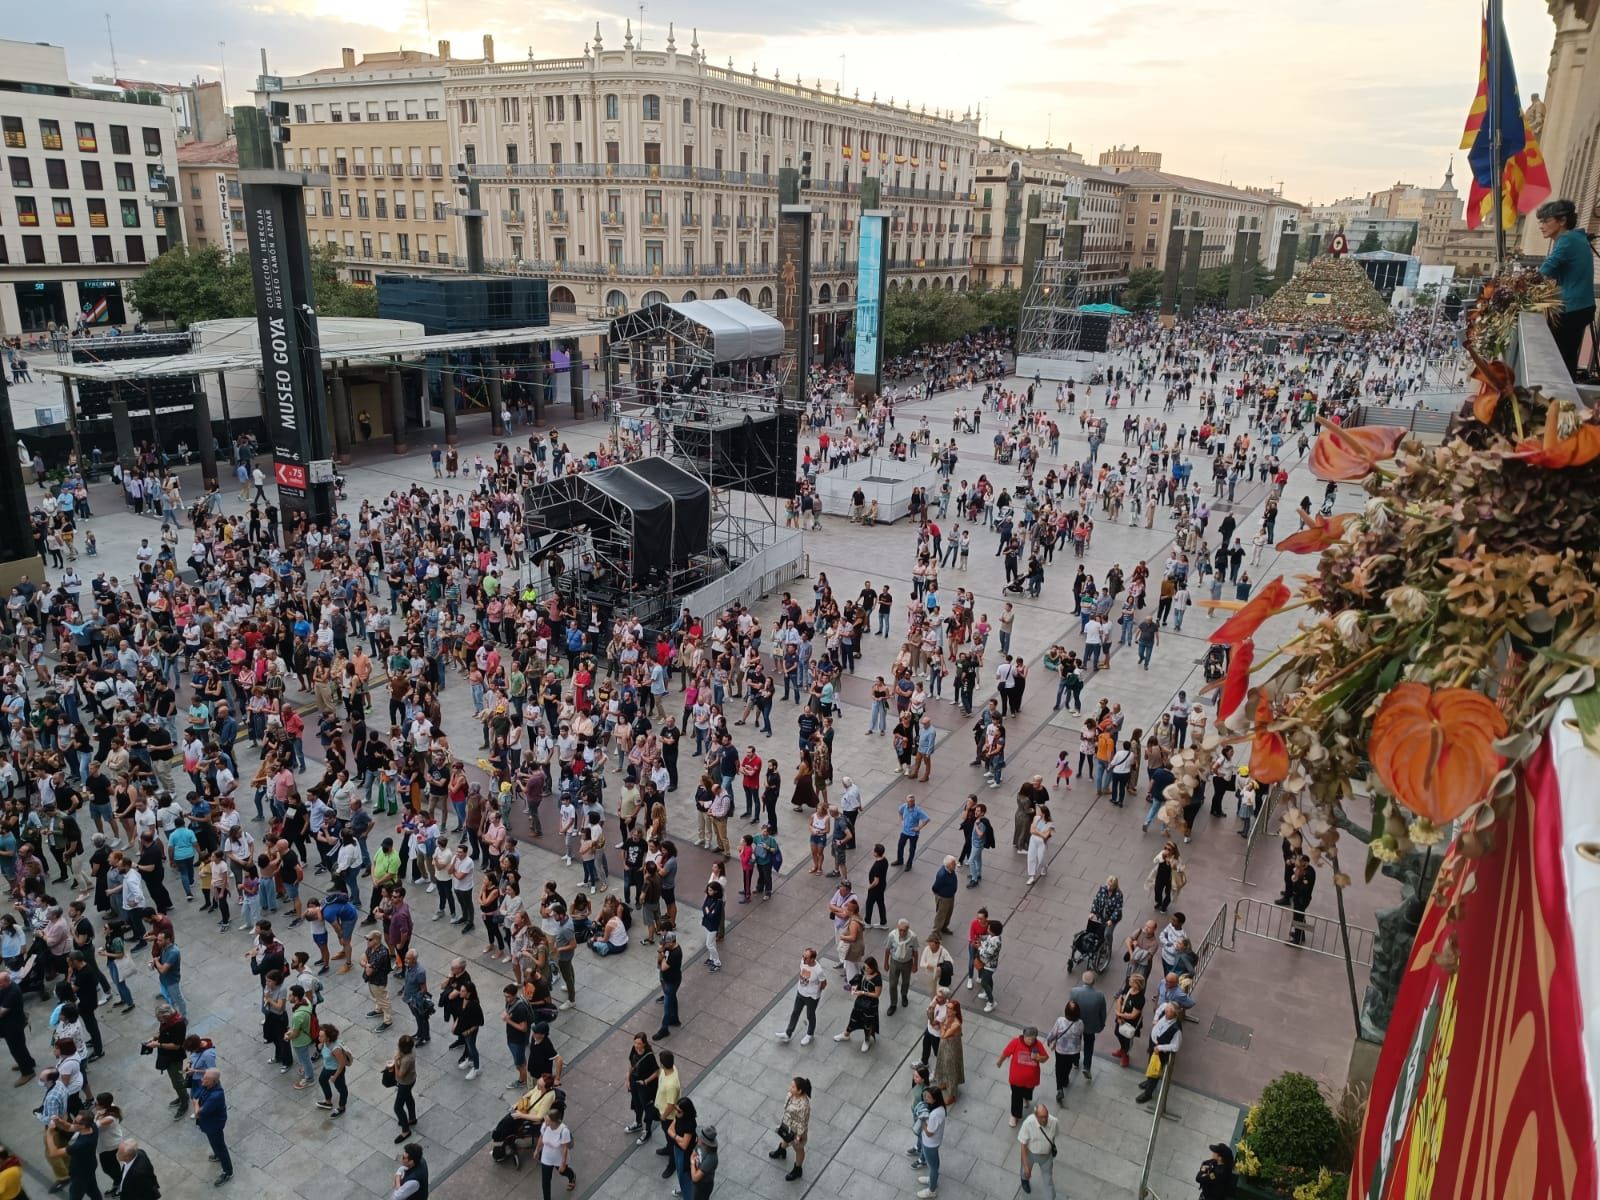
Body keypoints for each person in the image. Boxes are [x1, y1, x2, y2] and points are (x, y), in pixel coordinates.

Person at [1535, 197, 1597, 375]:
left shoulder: (1567, 240)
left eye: (1546, 220)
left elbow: (1545, 272)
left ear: (1562, 221)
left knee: (1559, 359)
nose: (1542, 226)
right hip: (1580, 307)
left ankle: (1562, 399)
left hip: (1573, 308)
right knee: (1565, 356)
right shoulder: (1575, 239)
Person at [996, 1025, 1049, 1126]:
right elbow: (1006, 1053)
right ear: (1024, 1036)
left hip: (1031, 1080)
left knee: (1028, 1093)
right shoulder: (1016, 1042)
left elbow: (1045, 1058)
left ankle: (1025, 1098)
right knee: (1016, 1097)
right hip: (1016, 1079)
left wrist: (1038, 1058)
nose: (1030, 1041)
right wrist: (1000, 1061)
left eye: (1033, 1039)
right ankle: (1014, 1115)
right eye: (1028, 1039)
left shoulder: (1038, 1045)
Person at [774, 948, 827, 1045]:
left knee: (810, 1015)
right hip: (801, 993)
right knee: (795, 1012)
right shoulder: (803, 962)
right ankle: (788, 1033)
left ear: (812, 959)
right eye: (803, 956)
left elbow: (824, 983)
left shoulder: (818, 970)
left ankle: (809, 1035)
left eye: (806, 958)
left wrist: (815, 992)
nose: (803, 959)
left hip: (811, 997)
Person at [1136, 1001, 1184, 1103]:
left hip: (1160, 1053)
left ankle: (1148, 1093)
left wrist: (1161, 1047)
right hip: (1153, 1046)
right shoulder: (1165, 1012)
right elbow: (1160, 1008)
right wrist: (1155, 1019)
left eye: (1168, 1012)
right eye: (1166, 1010)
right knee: (1150, 1064)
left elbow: (1175, 1046)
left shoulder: (1176, 1029)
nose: (1165, 1012)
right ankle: (1148, 1082)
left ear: (1174, 1014)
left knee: (1155, 1071)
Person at [192, 1068, 232, 1185]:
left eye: (205, 1079)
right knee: (214, 1143)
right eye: (204, 1077)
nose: (202, 1080)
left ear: (213, 1082)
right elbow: (196, 1097)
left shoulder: (216, 1096)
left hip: (214, 1125)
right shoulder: (206, 1085)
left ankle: (228, 1172)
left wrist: (196, 1104)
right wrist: (196, 1103)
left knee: (220, 1146)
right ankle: (217, 1154)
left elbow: (198, 1112)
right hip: (208, 1123)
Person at [833, 955, 882, 1051]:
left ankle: (867, 1040)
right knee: (854, 1017)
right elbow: (860, 980)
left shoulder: (877, 978)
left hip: (870, 1004)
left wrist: (863, 992)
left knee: (868, 1022)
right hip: (860, 1001)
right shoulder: (864, 971)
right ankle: (846, 1034)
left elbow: (877, 994)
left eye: (868, 968)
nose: (866, 970)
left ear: (873, 967)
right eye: (865, 967)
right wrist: (856, 987)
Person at [767, 1076, 811, 1182]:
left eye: (793, 1087)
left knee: (798, 1149)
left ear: (799, 1091)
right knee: (786, 1137)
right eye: (791, 1085)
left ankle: (798, 1169)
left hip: (797, 1131)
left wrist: (799, 1136)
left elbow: (803, 1122)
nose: (790, 1088)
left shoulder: (803, 1105)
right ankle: (782, 1150)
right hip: (788, 1124)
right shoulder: (792, 1094)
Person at [1069, 970, 1107, 1081]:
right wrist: (1101, 1025)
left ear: (1083, 980)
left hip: (1076, 1024)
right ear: (1094, 982)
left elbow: (1070, 1009)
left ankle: (1075, 1062)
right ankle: (1086, 1066)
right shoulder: (1100, 995)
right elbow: (1103, 1013)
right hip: (1091, 1026)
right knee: (1089, 1046)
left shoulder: (1074, 992)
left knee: (1076, 1043)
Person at [1017, 1101, 1061, 1198]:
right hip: (1030, 1154)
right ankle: (1024, 1180)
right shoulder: (1028, 1123)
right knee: (1025, 1172)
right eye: (1041, 1117)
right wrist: (1025, 1165)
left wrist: (1051, 1147)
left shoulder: (1054, 1122)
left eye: (1046, 1116)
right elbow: (1023, 1144)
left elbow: (1054, 1136)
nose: (1045, 1119)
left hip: (1046, 1156)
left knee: (1048, 1180)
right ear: (1036, 1116)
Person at [1045, 1001, 1083, 1102]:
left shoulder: (1060, 1021)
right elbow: (1080, 1033)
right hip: (1073, 1050)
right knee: (1068, 1065)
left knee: (1059, 1067)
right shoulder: (1080, 1023)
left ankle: (1059, 1088)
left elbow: (1053, 1033)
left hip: (1060, 1050)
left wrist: (1049, 1040)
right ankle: (1065, 1080)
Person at [536, 1106, 574, 1199]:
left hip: (558, 1159)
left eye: (548, 1120)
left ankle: (572, 1176)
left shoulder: (563, 1131)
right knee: (545, 1182)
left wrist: (563, 1164)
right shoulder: (545, 1126)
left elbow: (565, 1148)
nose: (545, 1122)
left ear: (554, 1121)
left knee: (563, 1172)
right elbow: (541, 1138)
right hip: (546, 1158)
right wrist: (537, 1150)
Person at [916, 1084, 946, 1198]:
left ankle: (931, 1190)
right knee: (933, 1165)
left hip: (930, 1144)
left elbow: (929, 1133)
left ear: (935, 1099)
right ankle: (931, 1179)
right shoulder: (940, 1108)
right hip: (934, 1142)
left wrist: (922, 1120)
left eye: (928, 1097)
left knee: (933, 1167)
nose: (926, 1099)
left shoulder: (935, 1114)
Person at [389, 1034, 418, 1142]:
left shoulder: (407, 1060)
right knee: (408, 1098)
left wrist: (396, 1063)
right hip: (411, 1079)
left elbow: (400, 1075)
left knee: (397, 1107)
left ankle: (406, 1130)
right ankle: (412, 1118)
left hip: (405, 1083)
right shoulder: (412, 1051)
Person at [930, 857, 958, 937]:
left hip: (950, 896)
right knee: (941, 915)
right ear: (948, 865)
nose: (955, 865)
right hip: (944, 898)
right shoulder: (942, 875)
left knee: (948, 913)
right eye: (953, 864)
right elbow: (935, 887)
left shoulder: (951, 871)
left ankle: (944, 927)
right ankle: (935, 932)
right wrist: (939, 897)